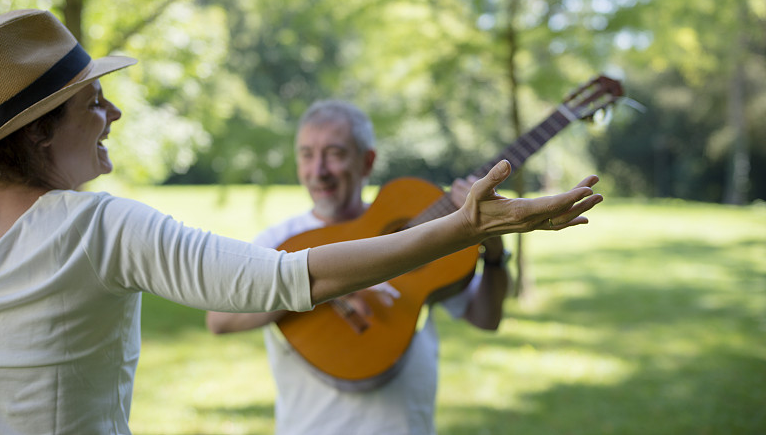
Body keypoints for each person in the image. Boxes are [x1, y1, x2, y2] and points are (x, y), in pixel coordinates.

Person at [0, 9, 601, 435]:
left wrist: (478, 244)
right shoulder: (101, 227)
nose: (115, 113)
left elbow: (483, 313)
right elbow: (285, 280)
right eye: (93, 102)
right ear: (42, 133)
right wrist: (464, 227)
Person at [206, 100, 601, 435]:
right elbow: (219, 319)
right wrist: (323, 287)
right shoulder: (280, 241)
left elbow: (487, 317)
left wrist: (492, 248)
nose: (319, 170)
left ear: (368, 161)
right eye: (307, 154)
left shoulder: (424, 224)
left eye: (334, 153)